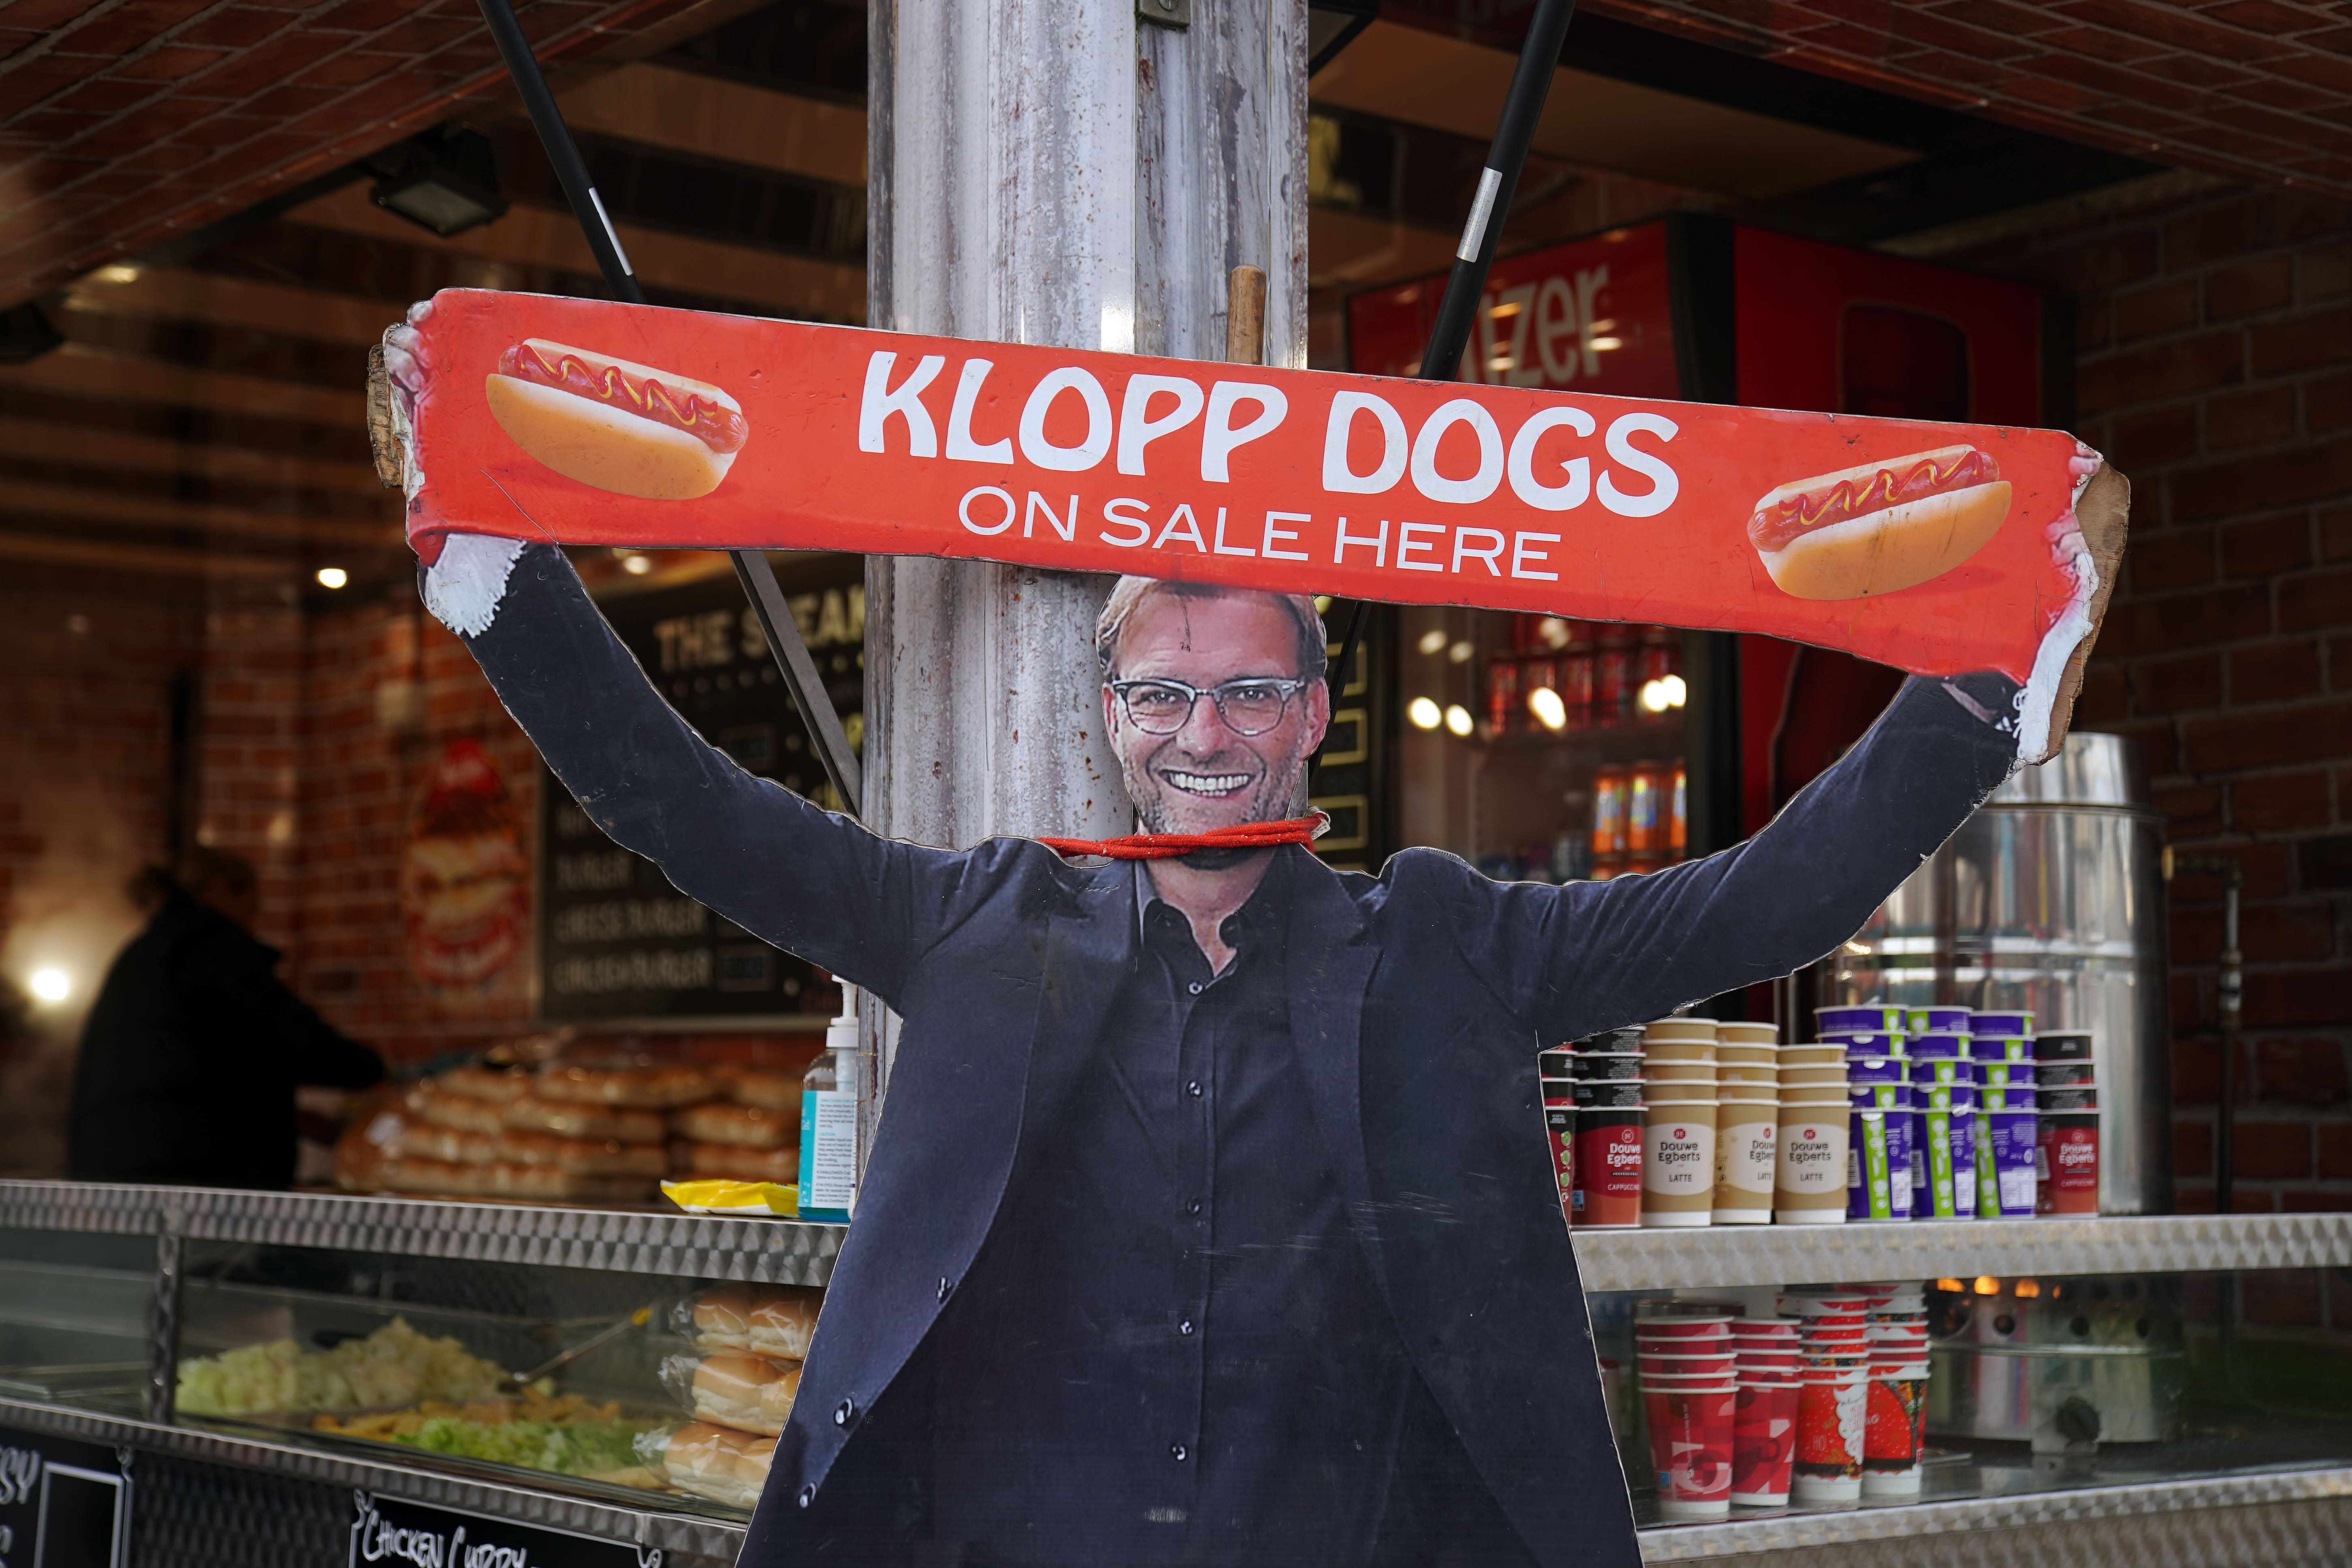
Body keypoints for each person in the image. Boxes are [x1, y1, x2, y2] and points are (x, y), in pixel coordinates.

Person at [424, 533, 2108, 1568]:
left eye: (1242, 693)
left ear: (1312, 711)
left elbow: (1757, 905)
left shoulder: (1446, 942)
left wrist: (1975, 686)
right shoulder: (976, 920)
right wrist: (507, 585)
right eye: (1159, 697)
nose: (1201, 736)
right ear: (1108, 720)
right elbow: (689, 812)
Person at [69, 846, 385, 1189]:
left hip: (113, 1170)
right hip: (198, 1181)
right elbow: (293, 1036)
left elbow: (190, 1068)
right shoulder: (213, 948)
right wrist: (373, 1069)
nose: (251, 926)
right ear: (218, 890)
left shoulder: (142, 953)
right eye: (251, 910)